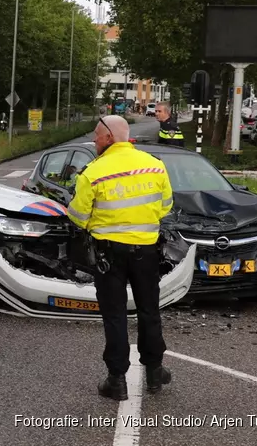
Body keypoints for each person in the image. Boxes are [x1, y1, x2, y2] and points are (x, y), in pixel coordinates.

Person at [67, 115, 174, 401]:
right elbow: (165, 207)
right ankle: (155, 372)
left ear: (110, 138)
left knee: (115, 316)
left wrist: (97, 225)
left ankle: (117, 381)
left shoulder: (93, 172)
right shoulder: (155, 166)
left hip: (109, 254)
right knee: (149, 311)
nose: (94, 140)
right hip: (147, 252)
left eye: (97, 136)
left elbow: (77, 217)